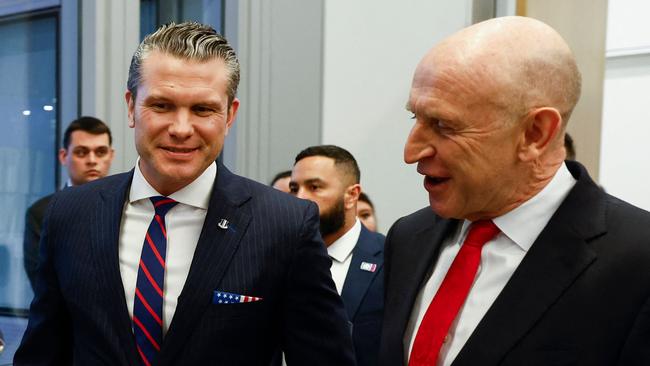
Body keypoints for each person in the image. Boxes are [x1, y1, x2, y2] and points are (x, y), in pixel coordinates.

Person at [15, 22, 354, 366]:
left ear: (229, 115)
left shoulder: (284, 225)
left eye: (202, 110)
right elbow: (42, 353)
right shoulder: (70, 214)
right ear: (131, 107)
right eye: (161, 106)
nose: (180, 129)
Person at [380, 16, 650, 366]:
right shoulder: (408, 238)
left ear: (535, 133)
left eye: (443, 125)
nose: (411, 152)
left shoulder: (637, 263)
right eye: (414, 118)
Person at [290, 145, 384, 366]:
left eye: (314, 187)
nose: (299, 198)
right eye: (294, 189)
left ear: (352, 196)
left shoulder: (392, 259)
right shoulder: (276, 257)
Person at [23, 116, 114, 290]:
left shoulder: (127, 206)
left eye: (101, 152)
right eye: (82, 152)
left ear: (111, 156)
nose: (92, 160)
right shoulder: (41, 213)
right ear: (64, 156)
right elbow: (42, 283)